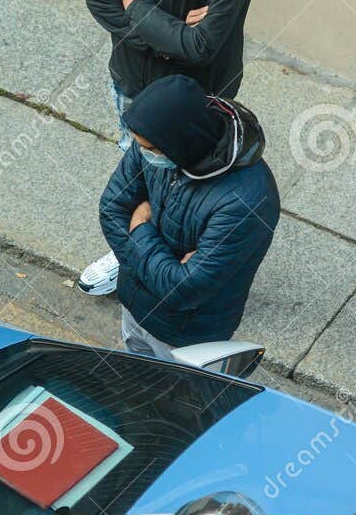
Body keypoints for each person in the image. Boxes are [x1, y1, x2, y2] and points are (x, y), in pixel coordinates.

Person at [80, 0, 258, 296]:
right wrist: (171, 32)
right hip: (132, 84)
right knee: (136, 170)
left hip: (194, 98)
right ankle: (136, 254)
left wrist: (136, 9)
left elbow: (206, 47)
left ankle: (182, 260)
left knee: (187, 186)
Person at [98, 75, 279, 361]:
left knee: (176, 394)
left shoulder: (246, 201)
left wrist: (141, 230)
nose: (144, 154)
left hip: (184, 334)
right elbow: (111, 209)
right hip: (133, 303)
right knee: (136, 368)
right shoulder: (153, 137)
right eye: (141, 147)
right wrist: (166, 266)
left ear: (182, 143)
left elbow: (182, 291)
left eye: (152, 150)